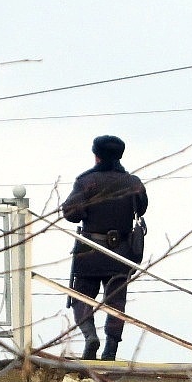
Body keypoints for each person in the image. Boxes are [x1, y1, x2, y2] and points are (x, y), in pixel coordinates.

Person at [61, 135, 148, 361]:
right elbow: (142, 208)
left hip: (90, 250)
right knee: (116, 303)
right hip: (122, 252)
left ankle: (90, 337)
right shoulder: (133, 182)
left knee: (81, 297)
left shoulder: (86, 181)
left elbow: (71, 213)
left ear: (96, 155)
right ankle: (110, 350)